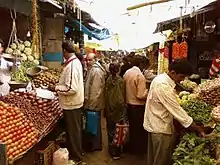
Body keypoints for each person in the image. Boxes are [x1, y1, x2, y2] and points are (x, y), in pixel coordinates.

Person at [143, 60, 205, 165]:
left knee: (155, 158)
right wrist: (195, 127)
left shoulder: (161, 79)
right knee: (160, 160)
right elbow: (176, 109)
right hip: (160, 127)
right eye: (181, 77)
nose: (182, 80)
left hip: (156, 123)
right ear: (172, 72)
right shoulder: (163, 85)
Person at [55, 40, 86, 165]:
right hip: (72, 103)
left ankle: (76, 157)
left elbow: (71, 88)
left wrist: (56, 88)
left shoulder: (72, 65)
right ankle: (77, 153)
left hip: (72, 104)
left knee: (73, 132)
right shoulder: (73, 63)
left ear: (64, 51)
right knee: (74, 131)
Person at [123, 55, 149, 155]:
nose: (145, 68)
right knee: (138, 130)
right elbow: (141, 95)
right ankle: (138, 150)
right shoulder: (140, 76)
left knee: (132, 129)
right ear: (141, 64)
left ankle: (132, 148)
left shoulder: (127, 73)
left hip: (129, 104)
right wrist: (148, 92)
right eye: (145, 65)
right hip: (137, 106)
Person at [84, 52, 106, 151]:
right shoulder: (92, 69)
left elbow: (95, 91)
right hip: (94, 102)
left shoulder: (96, 71)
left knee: (93, 125)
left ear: (95, 59)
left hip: (94, 103)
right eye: (87, 60)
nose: (88, 62)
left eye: (90, 60)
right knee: (94, 124)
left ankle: (95, 146)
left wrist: (90, 104)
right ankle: (95, 145)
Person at [105, 63, 127, 160]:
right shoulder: (121, 81)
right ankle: (117, 151)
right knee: (119, 130)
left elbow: (106, 94)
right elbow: (122, 95)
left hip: (109, 107)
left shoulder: (108, 80)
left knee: (110, 129)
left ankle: (111, 150)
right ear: (118, 70)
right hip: (119, 108)